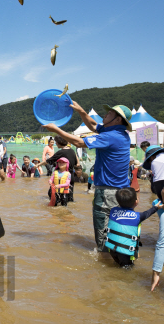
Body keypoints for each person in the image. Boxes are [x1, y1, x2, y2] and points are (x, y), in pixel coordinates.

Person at [44, 102, 132, 252]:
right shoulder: (120, 133)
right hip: (121, 190)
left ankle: (104, 265)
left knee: (102, 236)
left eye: (109, 113)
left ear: (118, 120)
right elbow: (93, 125)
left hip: (107, 192)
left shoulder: (110, 136)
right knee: (117, 231)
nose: (105, 115)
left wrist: (56, 129)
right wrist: (81, 111)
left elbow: (79, 142)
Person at [105, 187, 159, 267]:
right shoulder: (137, 216)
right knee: (127, 270)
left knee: (117, 264)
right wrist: (156, 207)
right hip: (125, 252)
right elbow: (148, 213)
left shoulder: (113, 211)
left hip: (112, 249)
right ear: (136, 202)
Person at [44, 135, 78, 201]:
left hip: (61, 175)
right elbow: (76, 163)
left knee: (52, 194)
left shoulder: (60, 152)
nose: (55, 143)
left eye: (56, 142)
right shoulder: (72, 151)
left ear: (60, 142)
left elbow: (48, 161)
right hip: (70, 176)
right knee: (69, 198)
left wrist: (38, 165)